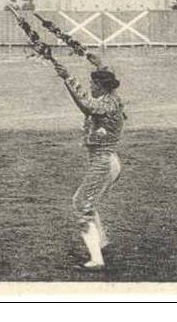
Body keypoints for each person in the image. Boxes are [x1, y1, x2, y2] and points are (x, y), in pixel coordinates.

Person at [48, 52, 125, 271]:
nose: (91, 85)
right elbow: (103, 87)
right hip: (110, 162)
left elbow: (86, 105)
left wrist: (68, 78)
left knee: (81, 205)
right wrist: (100, 64)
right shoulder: (113, 98)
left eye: (93, 83)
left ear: (102, 86)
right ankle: (101, 242)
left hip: (103, 162)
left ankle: (96, 260)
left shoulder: (105, 106)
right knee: (86, 203)